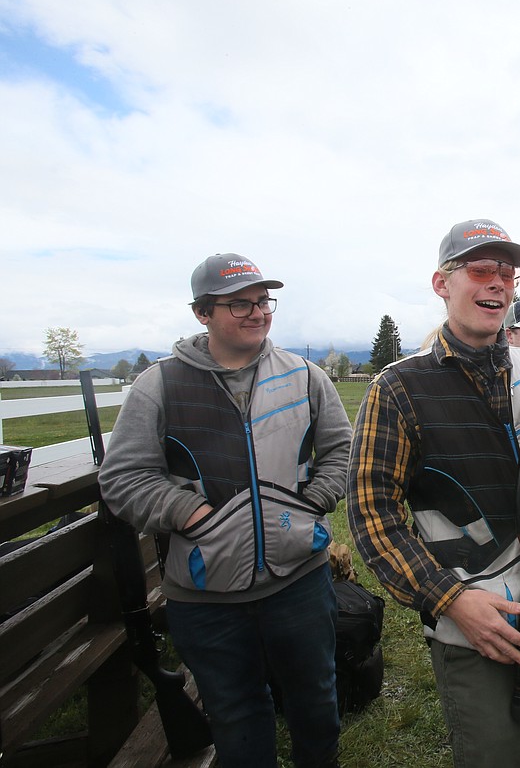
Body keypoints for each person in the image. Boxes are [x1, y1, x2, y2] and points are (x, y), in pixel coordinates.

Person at [346, 219, 520, 768]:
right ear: (442, 283)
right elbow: (372, 516)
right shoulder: (398, 386)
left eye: (508, 274)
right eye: (481, 270)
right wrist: (451, 601)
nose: (498, 284)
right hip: (473, 621)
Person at [99, 253, 352, 768]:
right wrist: (190, 513)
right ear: (202, 313)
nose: (257, 313)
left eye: (263, 301)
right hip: (204, 593)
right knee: (236, 715)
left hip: (299, 581)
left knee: (316, 700)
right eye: (240, 304)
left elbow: (343, 452)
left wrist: (312, 502)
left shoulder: (307, 377)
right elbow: (121, 478)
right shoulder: (159, 385)